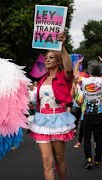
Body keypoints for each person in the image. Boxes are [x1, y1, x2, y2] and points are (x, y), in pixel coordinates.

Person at [28, 32, 75, 180]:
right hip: (42, 120)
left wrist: (63, 47)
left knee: (59, 158)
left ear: (58, 60)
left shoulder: (63, 77)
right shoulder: (42, 80)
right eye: (46, 58)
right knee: (46, 161)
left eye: (51, 57)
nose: (47, 60)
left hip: (58, 119)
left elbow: (69, 68)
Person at [73, 56, 102, 169]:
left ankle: (89, 159)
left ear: (89, 71)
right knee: (98, 138)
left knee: (87, 138)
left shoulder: (83, 80)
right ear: (99, 71)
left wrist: (78, 62)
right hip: (99, 114)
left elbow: (75, 73)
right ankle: (98, 160)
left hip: (87, 114)